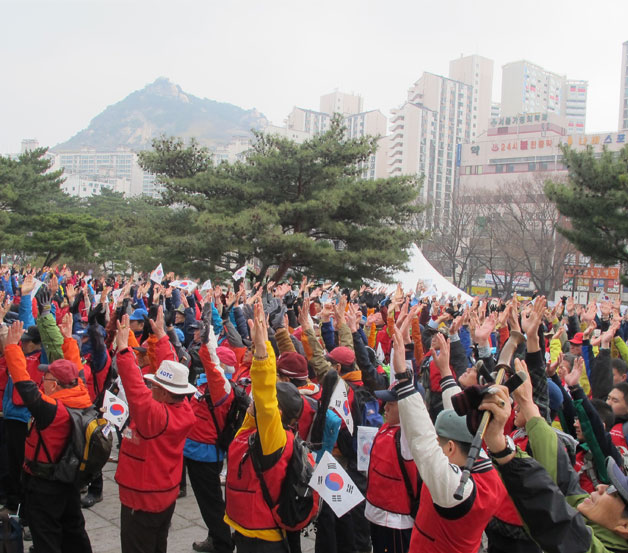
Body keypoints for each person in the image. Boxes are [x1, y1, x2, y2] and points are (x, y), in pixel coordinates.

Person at [480, 359, 628, 553]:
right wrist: (527, 405)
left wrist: (504, 453)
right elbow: (563, 483)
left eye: (611, 492)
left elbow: (557, 521)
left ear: (624, 526)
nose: (601, 486)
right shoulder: (592, 521)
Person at [391, 326, 510, 553]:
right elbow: (457, 416)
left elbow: (423, 444)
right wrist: (445, 371)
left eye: (441, 442)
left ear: (452, 447)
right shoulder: (484, 464)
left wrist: (404, 381)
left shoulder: (459, 490)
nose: (437, 443)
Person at [3, 321, 92, 553]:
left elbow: (24, 385)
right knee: (74, 527)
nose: (43, 382)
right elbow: (76, 367)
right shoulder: (82, 394)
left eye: (48, 379)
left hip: (45, 482)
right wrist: (69, 339)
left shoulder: (52, 411)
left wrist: (11, 348)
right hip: (68, 477)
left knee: (46, 533)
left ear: (57, 384)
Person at [224, 300, 304, 553]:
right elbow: (261, 403)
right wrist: (265, 343)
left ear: (276, 413)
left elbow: (265, 396)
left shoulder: (274, 439)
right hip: (246, 531)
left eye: (259, 403)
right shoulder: (254, 428)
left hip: (262, 539)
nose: (253, 402)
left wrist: (261, 354)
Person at [114, 309, 196, 553]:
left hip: (141, 500)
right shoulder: (183, 409)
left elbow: (135, 389)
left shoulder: (155, 416)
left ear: (162, 391)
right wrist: (160, 337)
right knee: (158, 545)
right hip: (164, 495)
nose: (150, 385)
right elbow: (169, 371)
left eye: (155, 384)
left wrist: (123, 351)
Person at [184, 322, 235, 553]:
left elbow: (211, 364)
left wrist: (207, 343)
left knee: (211, 502)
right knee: (210, 501)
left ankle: (222, 543)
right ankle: (216, 536)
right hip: (198, 449)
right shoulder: (211, 385)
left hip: (204, 453)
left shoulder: (220, 387)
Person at [366, 384, 419, 553]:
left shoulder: (407, 437)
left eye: (392, 403)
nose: (385, 407)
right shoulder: (387, 427)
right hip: (378, 514)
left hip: (395, 521)